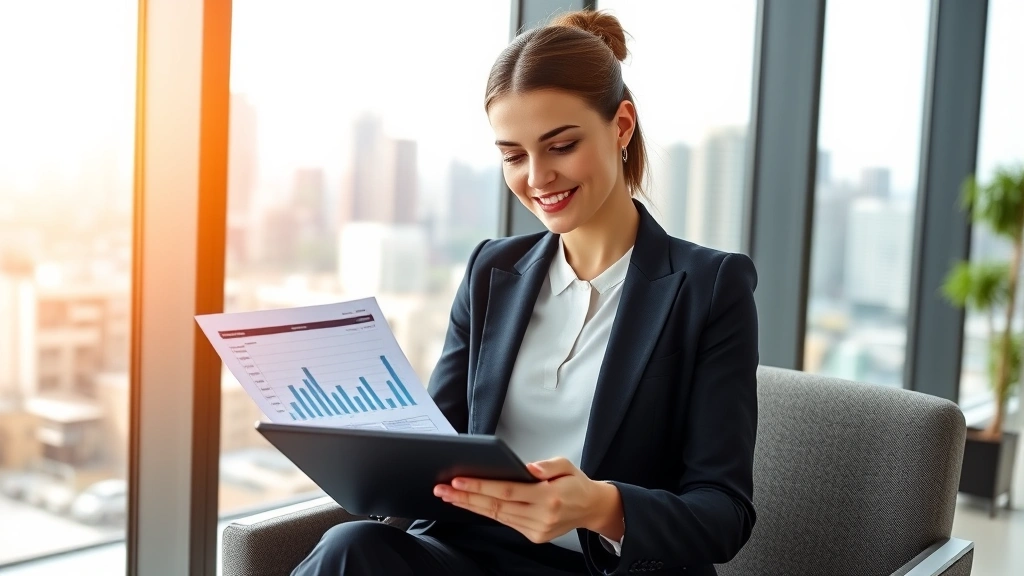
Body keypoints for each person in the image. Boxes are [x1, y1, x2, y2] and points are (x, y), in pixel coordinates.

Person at [292, 9, 757, 576]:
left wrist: (600, 505)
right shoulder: (493, 269)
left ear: (622, 125)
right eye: (513, 155)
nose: (536, 178)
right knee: (350, 546)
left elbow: (724, 511)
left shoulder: (709, 286)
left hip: (606, 568)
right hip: (471, 554)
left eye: (560, 146)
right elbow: (442, 442)